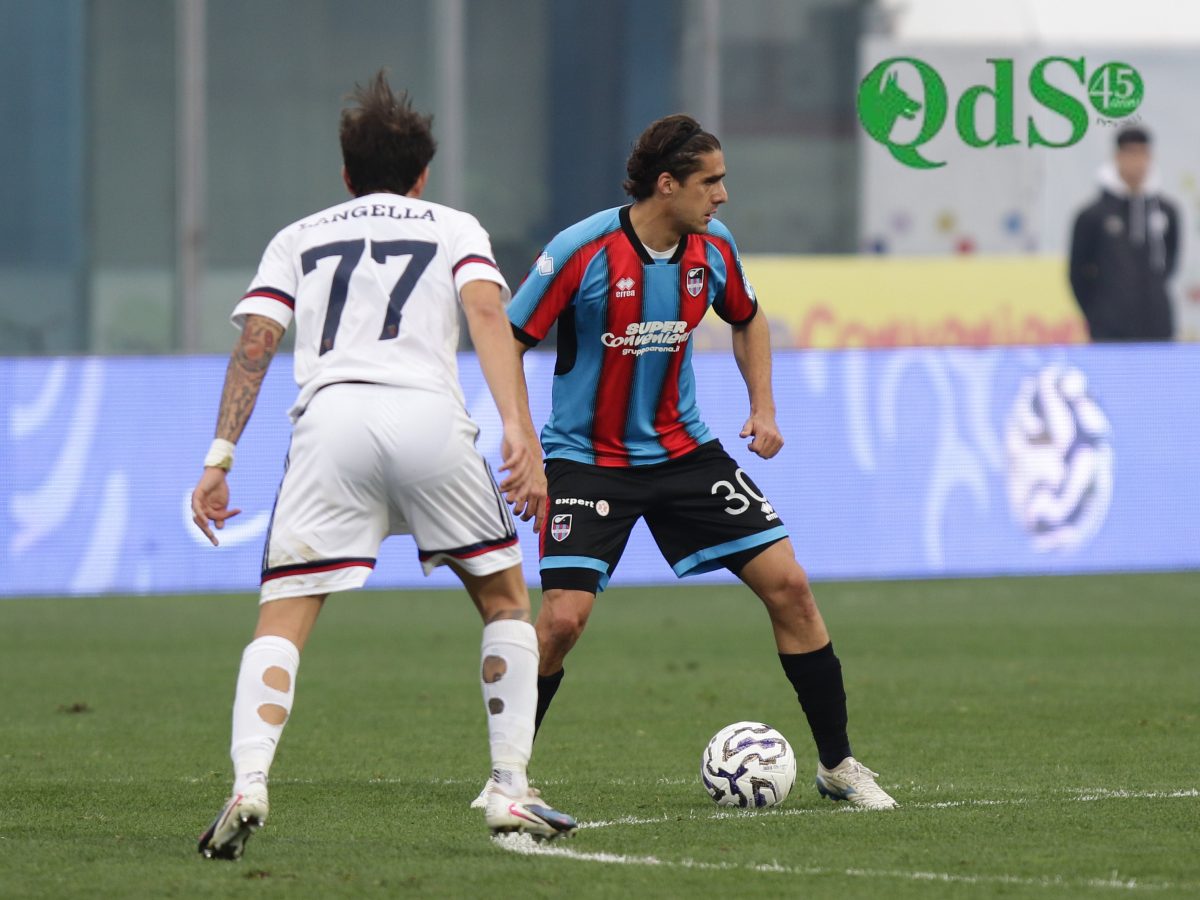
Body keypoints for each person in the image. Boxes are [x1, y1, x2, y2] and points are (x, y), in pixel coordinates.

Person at [190, 71, 576, 860]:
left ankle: (249, 783)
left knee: (284, 615)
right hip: (430, 418)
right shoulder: (455, 226)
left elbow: (256, 344)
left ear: (345, 173)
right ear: (422, 175)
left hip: (330, 423)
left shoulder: (298, 236)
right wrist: (519, 432)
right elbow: (485, 312)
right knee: (506, 601)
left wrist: (219, 458)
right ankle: (509, 785)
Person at [484, 113, 897, 810]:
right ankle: (507, 775)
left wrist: (763, 407)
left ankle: (839, 765)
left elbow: (748, 317)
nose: (723, 195)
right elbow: (508, 336)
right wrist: (523, 443)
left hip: (685, 452)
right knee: (561, 621)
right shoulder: (581, 250)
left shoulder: (714, 246)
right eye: (711, 182)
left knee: (791, 586)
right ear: (667, 184)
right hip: (589, 459)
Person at [1069, 126, 1180, 341]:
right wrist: (1098, 315)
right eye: (1131, 153)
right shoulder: (1093, 215)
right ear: (1117, 157)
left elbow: (1170, 262)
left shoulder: (1166, 211)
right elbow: (1078, 273)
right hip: (1109, 331)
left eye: (1143, 154)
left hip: (1157, 327)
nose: (1138, 162)